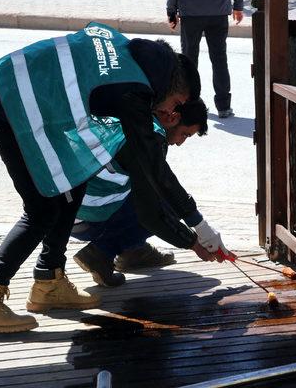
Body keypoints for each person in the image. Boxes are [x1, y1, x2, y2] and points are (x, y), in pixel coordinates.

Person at [0, 23, 233, 333]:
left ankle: (49, 281)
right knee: (42, 209)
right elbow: (150, 199)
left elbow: (156, 173)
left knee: (71, 187)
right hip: (9, 104)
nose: (171, 112)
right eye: (176, 105)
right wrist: (193, 239)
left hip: (23, 98)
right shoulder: (133, 93)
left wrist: (199, 225)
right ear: (174, 91)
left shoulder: (126, 54)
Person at [72, 98, 209, 287]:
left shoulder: (134, 113)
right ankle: (101, 252)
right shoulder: (151, 137)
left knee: (151, 192)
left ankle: (133, 251)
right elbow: (153, 210)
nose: (180, 143)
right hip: (88, 217)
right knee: (166, 202)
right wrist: (193, 242)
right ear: (173, 117)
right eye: (184, 134)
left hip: (68, 212)